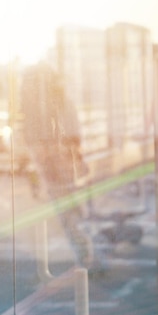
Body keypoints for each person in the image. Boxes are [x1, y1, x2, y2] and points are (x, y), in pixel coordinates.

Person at [18, 62, 101, 275]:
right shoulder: (61, 102)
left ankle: (87, 257)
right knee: (76, 211)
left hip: (59, 168)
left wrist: (48, 154)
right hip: (65, 167)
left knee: (70, 213)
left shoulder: (38, 107)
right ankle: (90, 255)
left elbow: (32, 139)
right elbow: (73, 136)